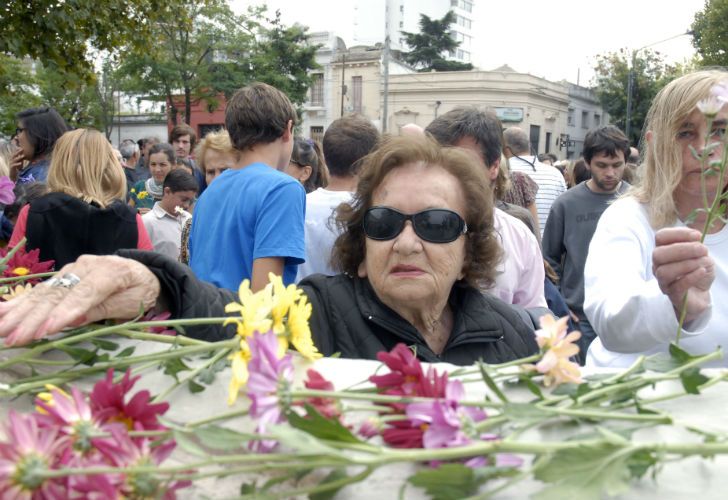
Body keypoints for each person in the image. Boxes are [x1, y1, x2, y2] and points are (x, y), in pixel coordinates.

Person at [0, 135, 539, 366]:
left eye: (437, 224)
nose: (404, 241)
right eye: (383, 220)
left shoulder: (511, 334)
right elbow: (227, 318)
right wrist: (150, 282)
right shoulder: (318, 310)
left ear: (471, 246)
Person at [584, 69, 728, 368]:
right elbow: (610, 320)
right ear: (655, 143)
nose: (704, 149)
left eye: (720, 131)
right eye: (685, 133)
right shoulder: (628, 218)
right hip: (638, 400)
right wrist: (676, 304)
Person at [425, 107, 547, 309]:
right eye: (437, 162)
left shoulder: (520, 239)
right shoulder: (406, 232)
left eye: (462, 164)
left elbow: (535, 320)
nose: (446, 174)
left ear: (494, 166)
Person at [188, 82, 305, 292]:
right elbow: (265, 296)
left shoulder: (210, 192)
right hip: (246, 324)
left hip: (203, 317)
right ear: (287, 131)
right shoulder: (282, 189)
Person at [542, 125, 631, 362]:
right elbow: (548, 259)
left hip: (626, 311)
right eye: (602, 165)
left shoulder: (637, 202)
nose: (610, 172)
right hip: (580, 314)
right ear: (588, 163)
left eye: (617, 165)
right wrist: (559, 304)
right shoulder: (566, 204)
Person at [8, 129, 153, 270]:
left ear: (58, 163)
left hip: (49, 293)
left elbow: (13, 272)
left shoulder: (33, 212)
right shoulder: (130, 219)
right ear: (109, 164)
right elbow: (147, 278)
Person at [296, 115, 380, 281]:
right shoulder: (373, 212)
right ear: (370, 161)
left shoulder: (299, 205)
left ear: (325, 158)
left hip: (301, 303)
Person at [178, 129, 238, 265]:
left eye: (225, 170)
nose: (217, 178)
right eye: (210, 172)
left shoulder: (255, 207)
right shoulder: (199, 209)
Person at [503, 127, 567, 235]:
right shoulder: (556, 174)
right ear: (529, 145)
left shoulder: (505, 173)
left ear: (506, 150)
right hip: (550, 244)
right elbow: (565, 210)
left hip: (520, 243)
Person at [142, 169, 197, 260]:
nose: (187, 205)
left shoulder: (188, 218)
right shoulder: (147, 222)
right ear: (167, 192)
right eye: (183, 199)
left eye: (190, 201)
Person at [10, 107, 70, 184]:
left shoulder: (42, 176)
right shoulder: (48, 170)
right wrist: (14, 178)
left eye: (19, 130)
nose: (16, 137)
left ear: (36, 133)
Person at [129, 143, 175, 214]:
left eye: (162, 165)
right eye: (153, 164)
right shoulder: (140, 187)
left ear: (173, 165)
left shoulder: (180, 190)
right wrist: (136, 213)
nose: (157, 169)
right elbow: (126, 215)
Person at [170, 124, 206, 193]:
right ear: (172, 143)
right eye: (177, 141)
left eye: (185, 142)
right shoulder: (164, 166)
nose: (180, 146)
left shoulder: (199, 169)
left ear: (191, 145)